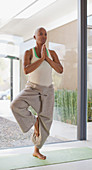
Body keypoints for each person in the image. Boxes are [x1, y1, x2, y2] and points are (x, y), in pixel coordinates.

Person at [10, 27, 63, 160]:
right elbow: (26, 70)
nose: (44, 36)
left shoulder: (52, 53)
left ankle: (36, 150)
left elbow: (60, 70)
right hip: (32, 88)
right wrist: (41, 59)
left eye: (45, 34)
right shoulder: (29, 52)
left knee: (46, 121)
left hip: (48, 90)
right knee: (15, 105)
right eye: (41, 34)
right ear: (34, 37)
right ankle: (34, 122)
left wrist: (47, 59)